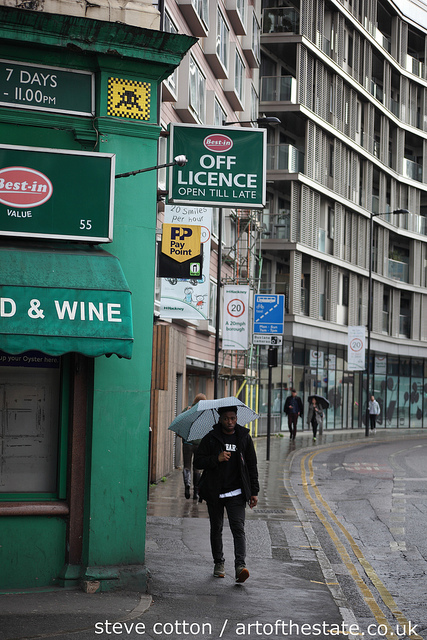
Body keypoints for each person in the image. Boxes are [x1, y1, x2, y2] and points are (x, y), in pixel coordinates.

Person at [194, 405, 259, 583]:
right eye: (226, 419)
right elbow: (198, 462)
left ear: (237, 418)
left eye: (233, 418)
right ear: (220, 419)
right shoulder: (211, 438)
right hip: (215, 492)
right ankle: (219, 564)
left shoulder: (244, 437)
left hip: (237, 493)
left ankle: (240, 567)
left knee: (238, 528)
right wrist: (217, 458)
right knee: (216, 529)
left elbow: (252, 466)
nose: (230, 422)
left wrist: (254, 492)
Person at [181, 393, 206, 500]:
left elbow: (180, 423)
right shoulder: (205, 412)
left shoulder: (188, 409)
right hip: (200, 444)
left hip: (188, 443)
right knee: (197, 469)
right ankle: (196, 492)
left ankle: (187, 484)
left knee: (187, 466)